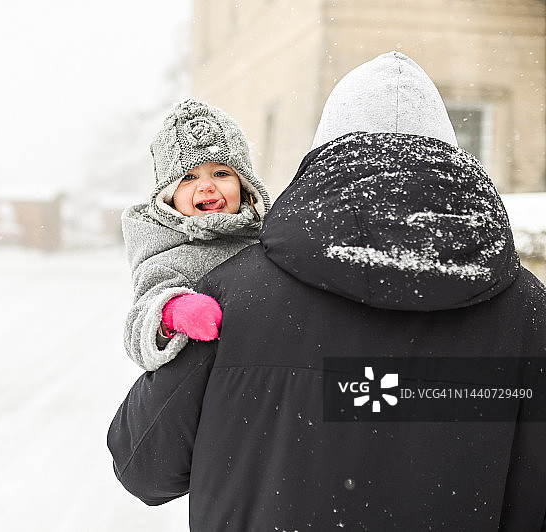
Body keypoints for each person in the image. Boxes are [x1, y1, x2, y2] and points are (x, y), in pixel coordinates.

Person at [108, 51, 546, 530]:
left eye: (220, 173)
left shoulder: (235, 296)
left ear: (324, 150)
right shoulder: (529, 311)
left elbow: (144, 465)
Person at [122, 98, 271, 371]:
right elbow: (136, 330)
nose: (206, 186)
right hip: (217, 384)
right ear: (169, 196)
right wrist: (171, 312)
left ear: (244, 185)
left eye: (221, 173)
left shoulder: (268, 238)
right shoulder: (168, 259)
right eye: (188, 178)